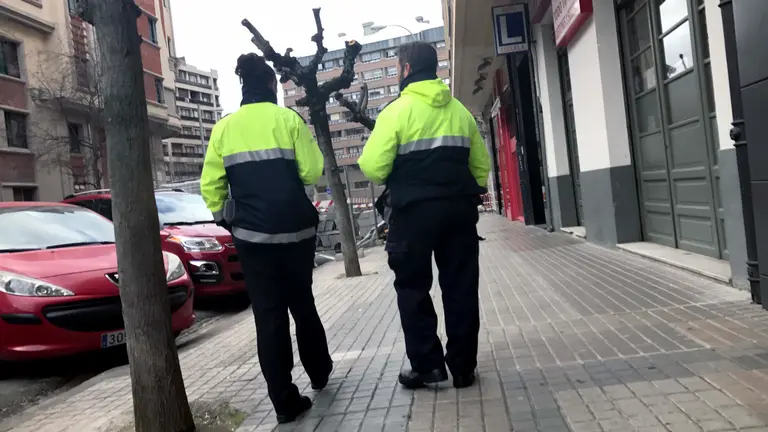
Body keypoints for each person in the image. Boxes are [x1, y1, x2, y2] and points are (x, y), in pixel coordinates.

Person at [200, 53, 332, 423]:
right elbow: (311, 171)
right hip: (297, 232)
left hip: (252, 237)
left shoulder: (224, 128)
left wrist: (228, 219)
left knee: (269, 317)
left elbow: (211, 187)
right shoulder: (288, 119)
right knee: (302, 304)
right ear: (272, 86)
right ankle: (320, 372)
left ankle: (284, 402)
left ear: (243, 86)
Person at [357, 41, 491, 389]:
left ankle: (428, 365)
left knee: (413, 288)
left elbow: (372, 167)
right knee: (461, 288)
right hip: (459, 213)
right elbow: (480, 168)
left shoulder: (396, 112)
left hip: (412, 215)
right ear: (435, 69)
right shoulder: (460, 112)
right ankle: (462, 367)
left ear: (404, 70)